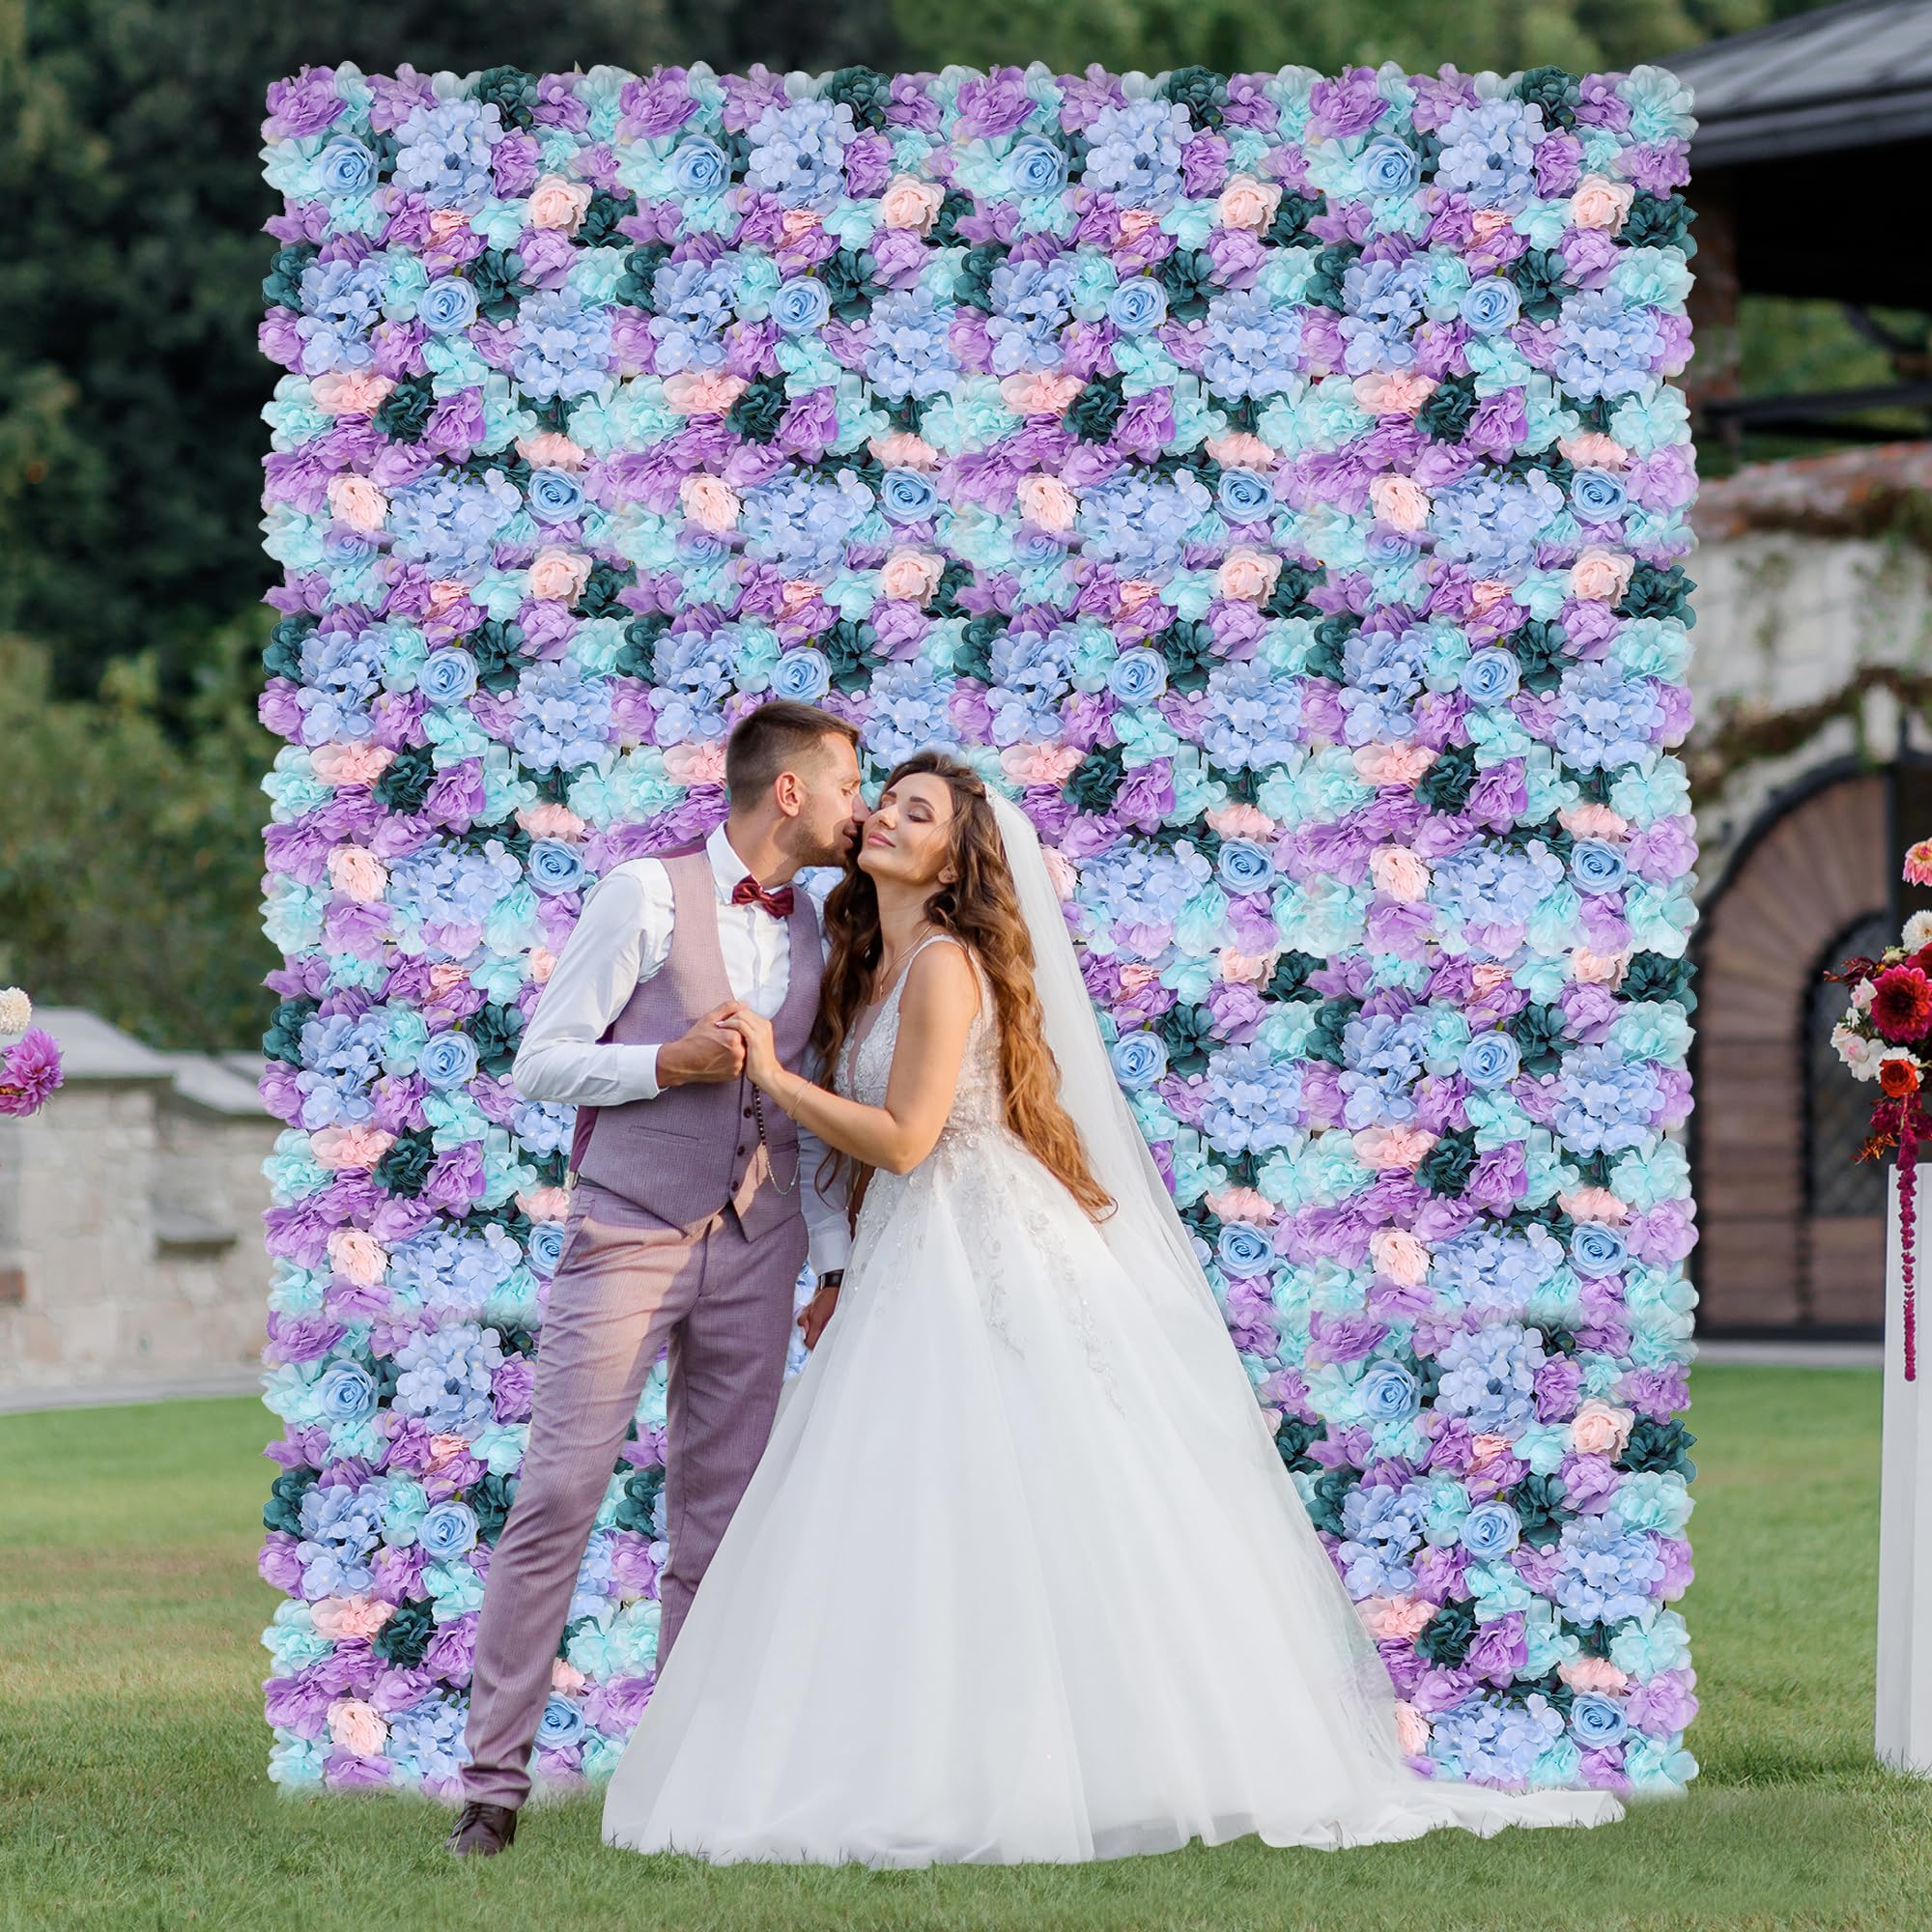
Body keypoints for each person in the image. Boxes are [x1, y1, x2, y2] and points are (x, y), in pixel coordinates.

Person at [598, 750, 1627, 1865]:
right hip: (908, 1249)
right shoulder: (867, 960)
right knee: (927, 1502)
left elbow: (904, 1136)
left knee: (1034, 1490)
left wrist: (771, 1076)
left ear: (954, 860)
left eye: (916, 811)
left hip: (979, 1238)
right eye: (885, 801)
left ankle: (1079, 1762)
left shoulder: (943, 964)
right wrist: (839, 1271)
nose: (886, 818)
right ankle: (943, 1753)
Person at [445, 700, 869, 1858]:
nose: (859, 806)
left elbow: (816, 1120)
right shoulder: (641, 891)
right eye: (847, 784)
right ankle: (491, 1790)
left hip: (761, 1242)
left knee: (718, 1525)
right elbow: (538, 1061)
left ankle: (684, 1792)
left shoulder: (831, 927)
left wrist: (827, 1265)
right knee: (558, 1498)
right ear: (788, 790)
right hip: (628, 1228)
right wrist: (662, 1063)